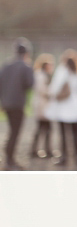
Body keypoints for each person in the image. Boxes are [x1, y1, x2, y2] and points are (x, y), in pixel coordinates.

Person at [47, 49, 77, 168]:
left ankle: (64, 156)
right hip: (76, 106)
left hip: (64, 107)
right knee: (76, 133)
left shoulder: (62, 70)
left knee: (63, 134)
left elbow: (54, 87)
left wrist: (51, 94)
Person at [0, 38, 35, 170]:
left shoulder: (6, 65)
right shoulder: (25, 66)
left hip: (7, 104)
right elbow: (30, 84)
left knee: (11, 130)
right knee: (15, 132)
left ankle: (8, 154)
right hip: (18, 104)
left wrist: (3, 101)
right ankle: (10, 158)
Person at [30, 53, 55, 159]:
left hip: (44, 106)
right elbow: (42, 90)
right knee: (43, 129)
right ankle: (41, 150)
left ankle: (42, 149)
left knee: (44, 129)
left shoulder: (42, 75)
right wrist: (53, 92)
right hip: (42, 106)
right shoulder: (40, 75)